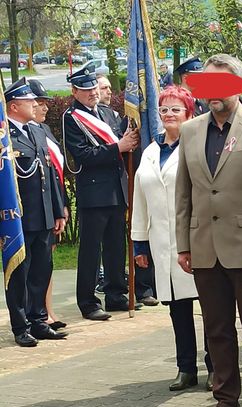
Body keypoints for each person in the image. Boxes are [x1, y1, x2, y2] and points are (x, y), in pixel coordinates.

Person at [175, 54, 242, 407]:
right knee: (216, 331)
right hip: (204, 247)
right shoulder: (191, 130)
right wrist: (184, 243)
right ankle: (225, 399)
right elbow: (184, 191)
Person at [132, 85, 213, 392]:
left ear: (189, 114)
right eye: (164, 109)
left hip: (197, 241)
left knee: (210, 308)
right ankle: (185, 368)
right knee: (177, 309)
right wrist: (139, 242)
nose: (168, 115)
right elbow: (141, 199)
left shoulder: (198, 146)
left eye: (175, 109)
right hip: (162, 244)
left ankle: (215, 367)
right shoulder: (150, 152)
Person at [63, 65, 141, 321]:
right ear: (75, 91)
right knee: (91, 249)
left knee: (116, 245)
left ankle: (116, 293)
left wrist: (129, 141)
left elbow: (124, 143)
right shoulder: (71, 118)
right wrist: (118, 146)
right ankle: (87, 301)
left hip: (116, 189)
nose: (92, 93)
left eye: (94, 88)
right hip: (94, 191)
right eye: (85, 90)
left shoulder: (108, 113)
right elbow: (83, 154)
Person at [4, 78, 67, 346]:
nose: (35, 104)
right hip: (19, 219)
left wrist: (58, 210)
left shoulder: (37, 131)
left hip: (42, 214)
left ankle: (39, 320)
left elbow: (49, 174)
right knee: (20, 274)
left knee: (42, 269)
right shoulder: (5, 135)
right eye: (30, 101)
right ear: (14, 105)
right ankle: (20, 326)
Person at [95, 73, 158, 306]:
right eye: (103, 87)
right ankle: (139, 287)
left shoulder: (112, 115)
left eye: (109, 88)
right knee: (134, 233)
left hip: (145, 179)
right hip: (120, 184)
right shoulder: (102, 117)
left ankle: (149, 285)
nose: (107, 92)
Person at [27, 79, 69, 331]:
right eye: (39, 104)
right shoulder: (17, 134)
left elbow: (54, 172)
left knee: (46, 263)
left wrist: (59, 205)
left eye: (44, 104)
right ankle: (34, 314)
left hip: (49, 205)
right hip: (32, 211)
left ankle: (47, 311)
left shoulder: (43, 130)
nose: (43, 109)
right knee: (32, 266)